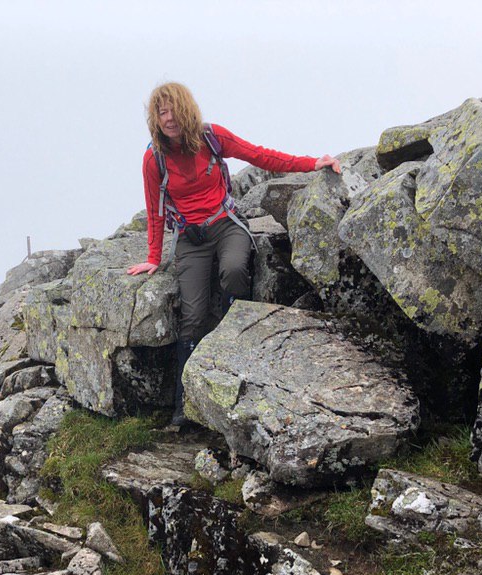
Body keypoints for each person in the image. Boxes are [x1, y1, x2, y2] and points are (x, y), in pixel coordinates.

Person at [127, 81, 341, 426]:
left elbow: (260, 156)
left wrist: (313, 162)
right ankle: (183, 407)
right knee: (193, 317)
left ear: (185, 109)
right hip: (190, 238)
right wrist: (154, 257)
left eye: (172, 110)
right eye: (160, 112)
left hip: (225, 224)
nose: (167, 118)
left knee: (234, 271)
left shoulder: (212, 138)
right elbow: (154, 210)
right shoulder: (154, 158)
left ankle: (232, 343)